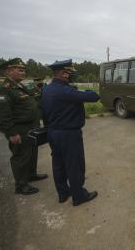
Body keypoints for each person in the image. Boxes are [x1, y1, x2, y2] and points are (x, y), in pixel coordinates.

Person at [41, 59, 100, 206]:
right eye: (70, 73)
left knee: (58, 164)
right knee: (74, 165)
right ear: (63, 73)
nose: (71, 76)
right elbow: (94, 96)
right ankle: (78, 196)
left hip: (53, 132)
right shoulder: (65, 90)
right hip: (68, 134)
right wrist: (82, 91)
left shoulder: (47, 89)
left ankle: (63, 193)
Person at [0, 58, 47, 195]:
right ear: (8, 71)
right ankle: (21, 186)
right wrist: (11, 133)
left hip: (31, 126)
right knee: (21, 156)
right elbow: (3, 115)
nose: (23, 72)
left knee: (32, 152)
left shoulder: (20, 86)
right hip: (19, 129)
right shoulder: (3, 90)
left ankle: (31, 175)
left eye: (24, 70)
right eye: (19, 69)